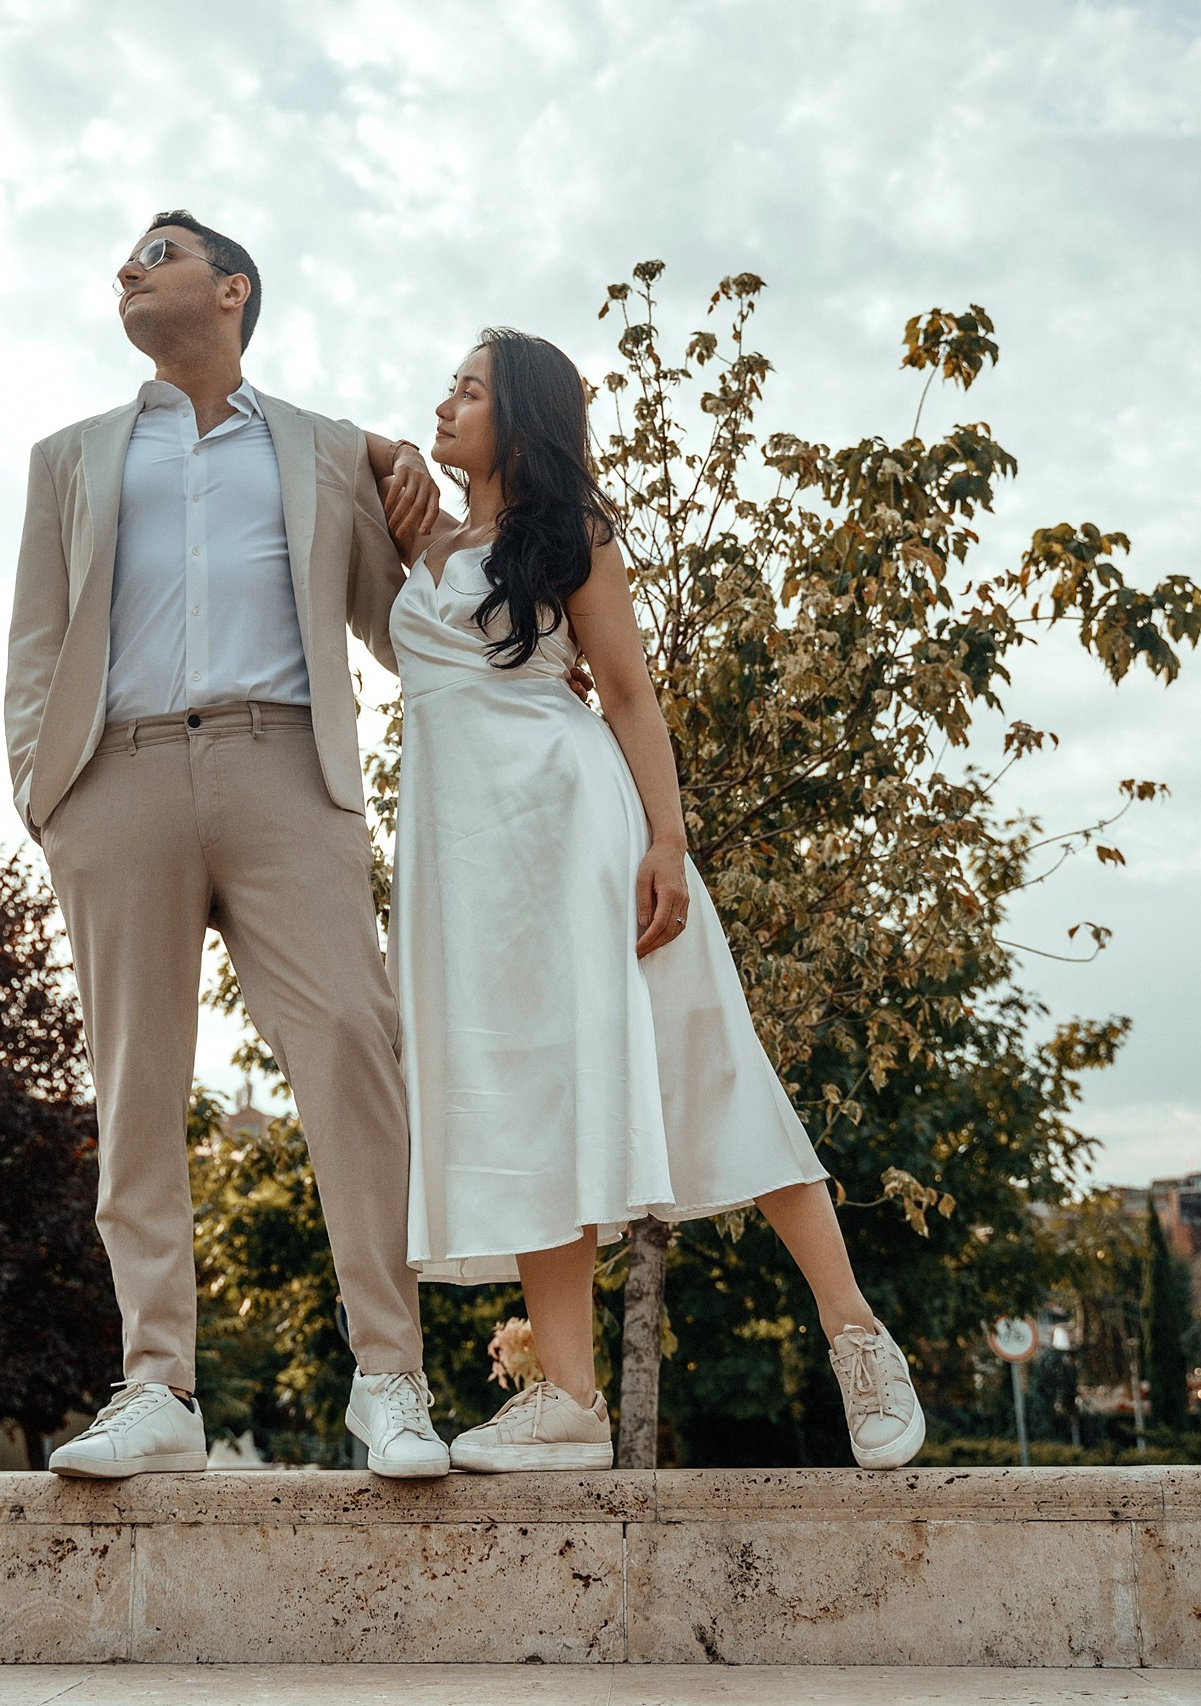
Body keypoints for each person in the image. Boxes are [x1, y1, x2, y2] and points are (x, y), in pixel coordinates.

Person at [389, 328, 927, 1472]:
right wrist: (384, 457)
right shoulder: (421, 536)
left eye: (468, 390)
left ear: (521, 415)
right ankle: (570, 1399)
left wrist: (668, 844)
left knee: (709, 1060)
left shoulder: (570, 535)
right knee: (529, 1101)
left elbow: (629, 694)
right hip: (468, 868)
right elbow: (325, 454)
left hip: (578, 830)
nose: (443, 405)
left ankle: (857, 1336)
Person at [5, 211, 453, 1478]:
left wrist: (427, 496)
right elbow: (35, 638)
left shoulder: (323, 448)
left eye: (158, 253)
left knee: (353, 1044)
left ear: (231, 289)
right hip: (117, 778)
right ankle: (157, 1386)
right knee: (136, 1081)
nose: (127, 269)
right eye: (127, 260)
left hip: (287, 769)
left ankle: (390, 1375)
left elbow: (405, 621)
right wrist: (47, 795)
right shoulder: (68, 457)